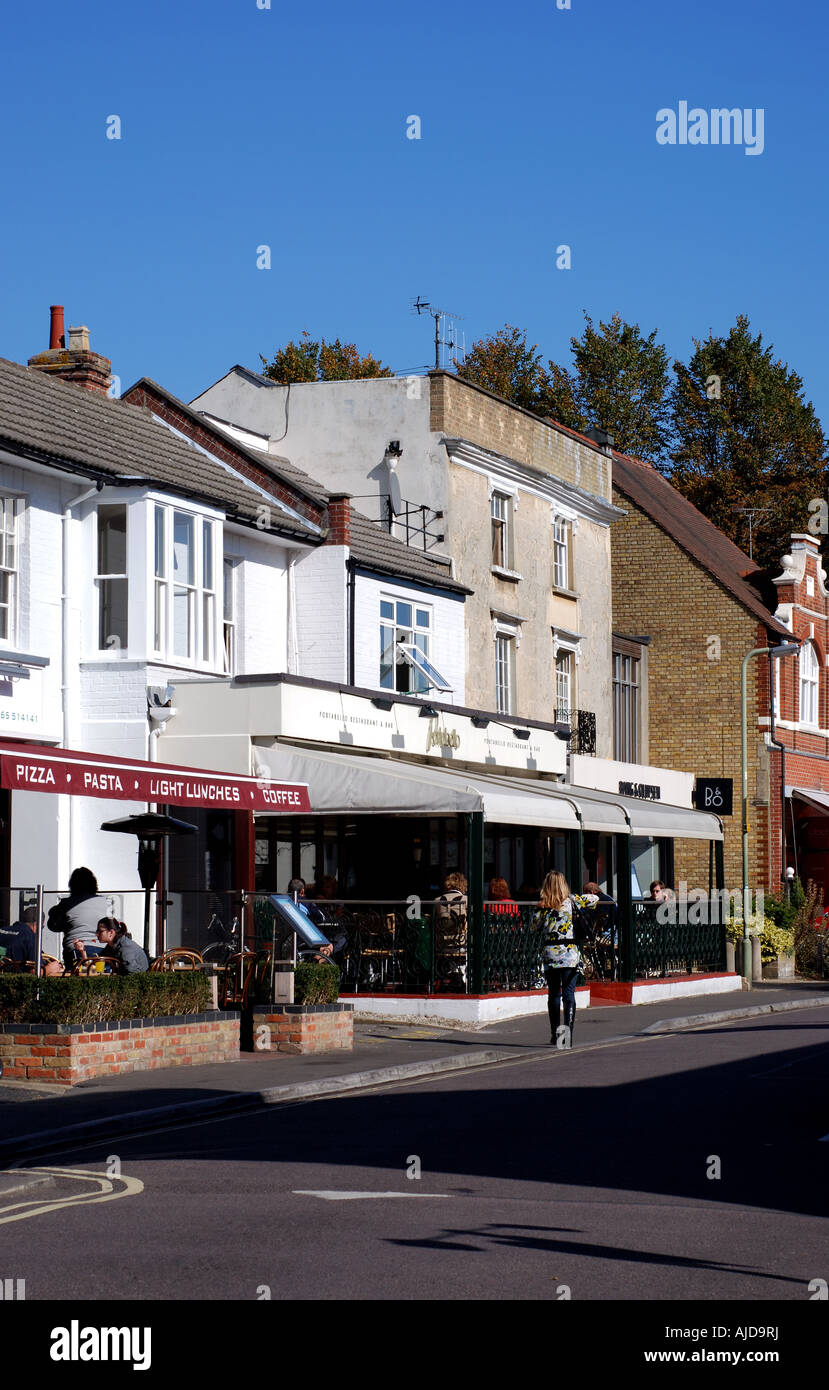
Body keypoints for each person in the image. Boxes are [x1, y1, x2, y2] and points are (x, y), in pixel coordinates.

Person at [534, 871, 598, 1047]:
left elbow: (534, 926)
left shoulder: (542, 906)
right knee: (568, 994)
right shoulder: (571, 901)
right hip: (570, 953)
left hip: (551, 953)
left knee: (554, 994)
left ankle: (555, 1035)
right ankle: (566, 1037)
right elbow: (594, 900)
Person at [47, 867, 109, 971]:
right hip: (103, 950)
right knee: (101, 979)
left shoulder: (67, 903)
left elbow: (53, 926)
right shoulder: (106, 901)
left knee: (76, 980)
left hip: (75, 949)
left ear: (72, 885)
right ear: (94, 884)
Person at [73, 917, 149, 974]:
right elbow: (94, 968)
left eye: (100, 931)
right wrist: (82, 951)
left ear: (111, 933)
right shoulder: (111, 946)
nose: (97, 934)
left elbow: (132, 974)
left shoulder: (125, 948)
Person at [434, 873, 468, 989]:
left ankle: (451, 971)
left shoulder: (437, 901)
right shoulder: (466, 900)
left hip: (442, 945)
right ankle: (462, 974)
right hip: (461, 944)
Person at [6, 907, 63, 975]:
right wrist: (50, 969)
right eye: (42, 927)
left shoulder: (2, 930)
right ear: (37, 924)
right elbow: (34, 973)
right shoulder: (29, 936)